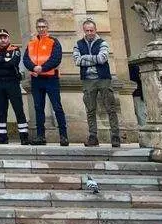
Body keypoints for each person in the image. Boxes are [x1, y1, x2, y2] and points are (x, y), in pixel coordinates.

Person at [73, 19, 121, 148]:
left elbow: (103, 58)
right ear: (84, 30)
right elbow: (77, 61)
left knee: (110, 108)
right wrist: (93, 59)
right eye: (87, 30)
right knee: (90, 110)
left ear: (95, 30)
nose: (89, 33)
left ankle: (115, 136)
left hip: (103, 78)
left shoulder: (102, 43)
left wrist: (85, 57)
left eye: (91, 30)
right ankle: (93, 137)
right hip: (87, 80)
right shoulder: (78, 44)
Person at [24, 17, 69, 146]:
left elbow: (56, 58)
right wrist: (33, 68)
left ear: (47, 28)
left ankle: (63, 136)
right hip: (36, 79)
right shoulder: (31, 43)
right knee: (38, 108)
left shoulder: (54, 41)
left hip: (51, 78)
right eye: (39, 27)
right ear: (36, 28)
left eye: (43, 26)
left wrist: (41, 68)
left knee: (57, 107)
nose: (41, 29)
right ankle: (40, 136)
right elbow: (26, 59)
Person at [0, 28, 30, 145]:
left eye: (5, 37)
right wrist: (4, 60)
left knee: (18, 109)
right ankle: (2, 137)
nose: (3, 39)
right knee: (0, 111)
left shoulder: (15, 49)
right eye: (0, 37)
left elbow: (13, 62)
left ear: (8, 38)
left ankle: (24, 137)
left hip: (12, 83)